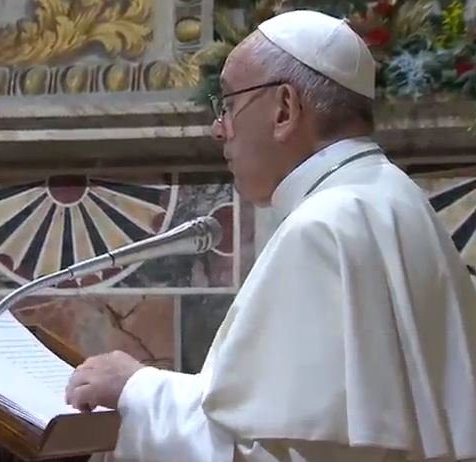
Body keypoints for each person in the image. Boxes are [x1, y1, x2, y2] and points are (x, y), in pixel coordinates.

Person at [66, 9, 476, 462]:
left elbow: (271, 452)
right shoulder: (394, 198)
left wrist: (136, 389)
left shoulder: (323, 228)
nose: (218, 128)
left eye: (227, 104)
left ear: (284, 109)